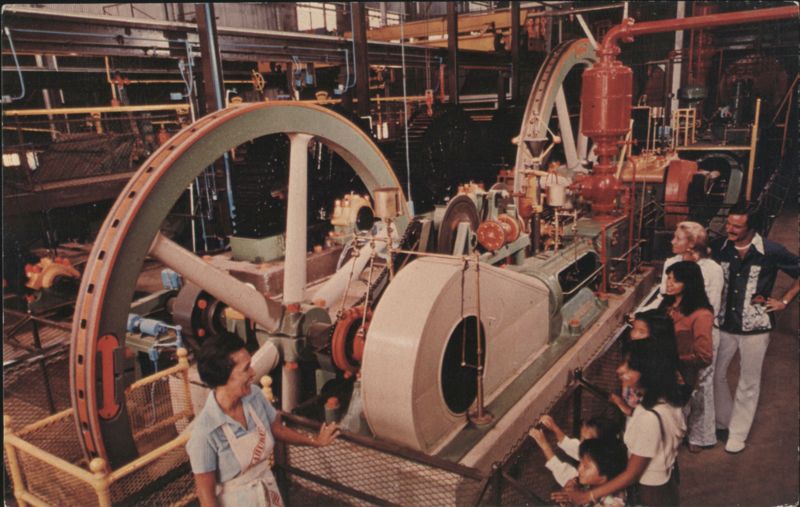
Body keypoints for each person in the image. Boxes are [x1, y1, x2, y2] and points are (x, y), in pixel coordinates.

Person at [186, 334, 340, 506]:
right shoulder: (205, 432)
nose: (253, 373)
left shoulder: (255, 396)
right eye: (246, 369)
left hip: (267, 492)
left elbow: (277, 429)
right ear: (223, 377)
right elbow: (206, 496)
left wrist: (315, 441)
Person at [551, 340, 686, 506]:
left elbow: (632, 474)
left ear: (648, 373)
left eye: (629, 367)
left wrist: (587, 496)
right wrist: (627, 410)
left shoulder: (648, 419)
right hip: (666, 485)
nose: (620, 370)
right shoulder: (665, 400)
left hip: (650, 495)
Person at [711, 203, 799, 453]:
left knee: (749, 382)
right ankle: (726, 419)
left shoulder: (771, 251)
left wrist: (784, 300)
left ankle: (738, 433)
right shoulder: (719, 249)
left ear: (751, 228)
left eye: (736, 226)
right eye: (728, 223)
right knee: (715, 374)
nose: (729, 229)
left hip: (756, 327)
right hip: (724, 324)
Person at [660, 261, 715, 453]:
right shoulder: (668, 304)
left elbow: (704, 355)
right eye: (668, 278)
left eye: (675, 281)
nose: (669, 283)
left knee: (676, 418)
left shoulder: (701, 315)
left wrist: (675, 361)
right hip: (663, 370)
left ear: (689, 284)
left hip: (680, 376)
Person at [639, 221, 724, 318]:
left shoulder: (713, 270)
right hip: (672, 320)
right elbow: (663, 298)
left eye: (678, 238)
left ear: (691, 244)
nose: (672, 241)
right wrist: (641, 314)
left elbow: (713, 308)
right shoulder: (671, 263)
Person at [611, 309, 677, 417]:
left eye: (641, 332)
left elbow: (644, 415)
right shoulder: (636, 353)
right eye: (634, 329)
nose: (634, 335)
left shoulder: (656, 370)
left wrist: (620, 403)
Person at [528, 414, 620, 487]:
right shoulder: (606, 456)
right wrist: (554, 428)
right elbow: (576, 448)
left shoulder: (588, 487)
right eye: (581, 438)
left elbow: (566, 474)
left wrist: (544, 445)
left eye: (585, 440)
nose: (581, 442)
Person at [573, 438, 629, 507]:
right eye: (580, 463)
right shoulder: (588, 484)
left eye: (586, 467)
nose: (579, 469)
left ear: (603, 477)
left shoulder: (613, 502)